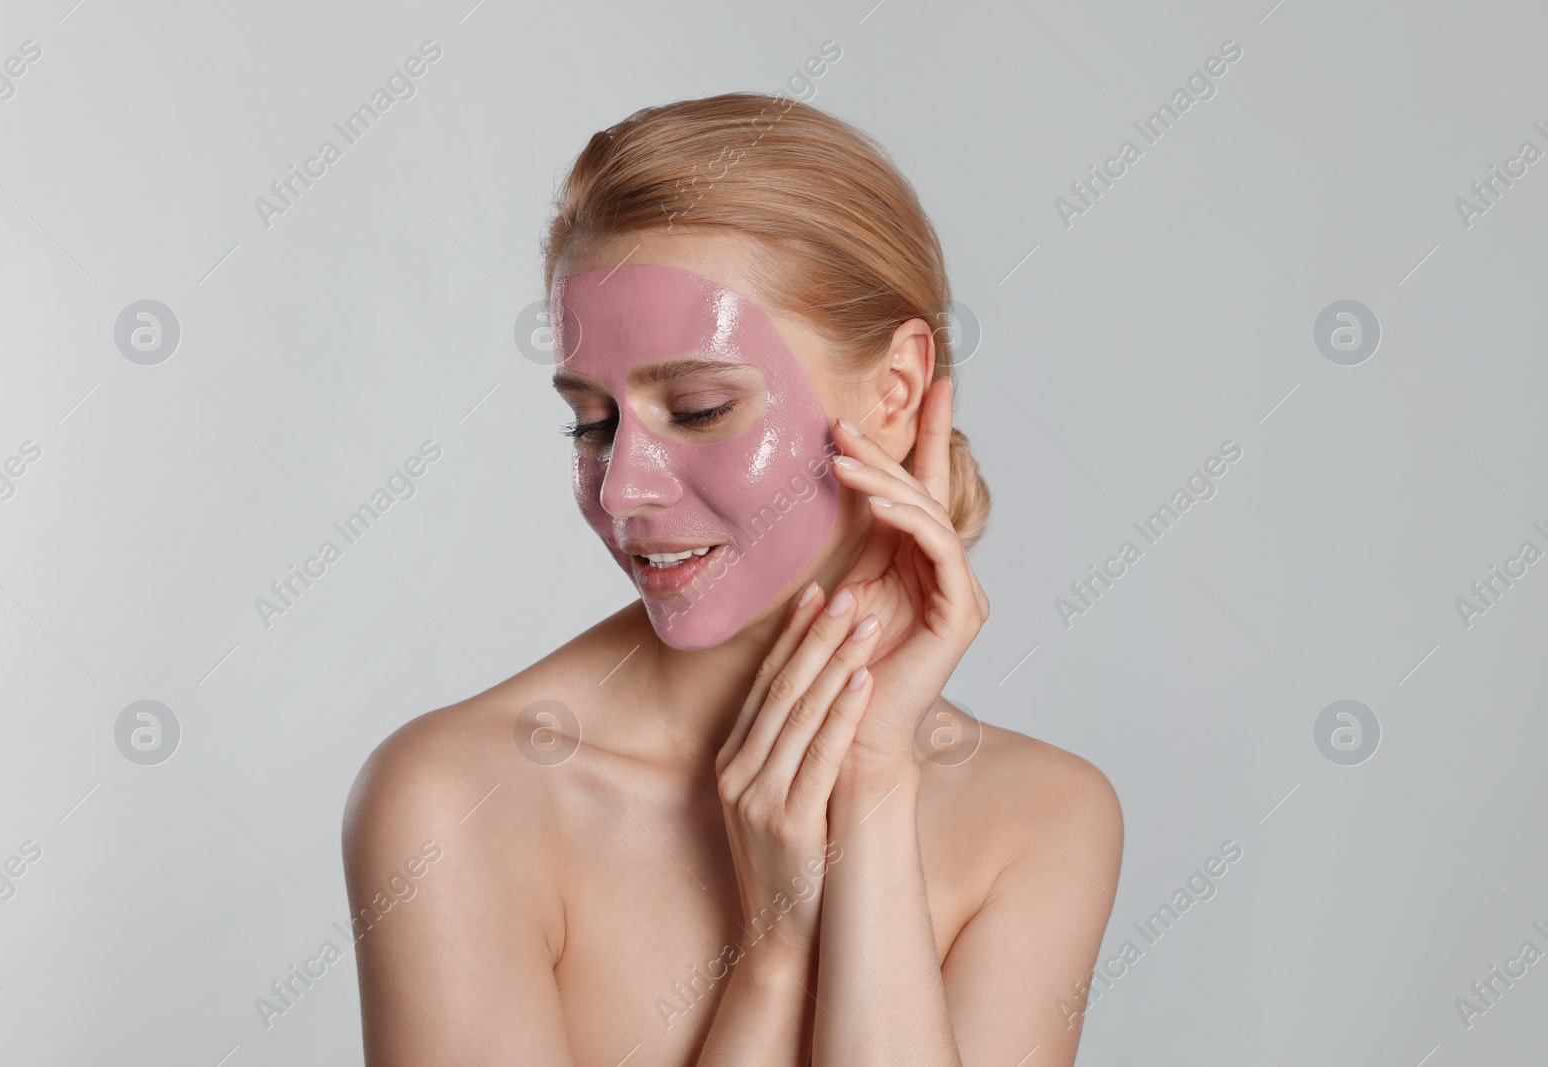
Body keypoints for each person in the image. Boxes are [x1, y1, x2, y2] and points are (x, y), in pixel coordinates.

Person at [343, 92, 1122, 1067]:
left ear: (895, 390)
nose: (621, 487)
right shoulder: (458, 799)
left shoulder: (1042, 815)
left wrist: (872, 791)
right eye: (590, 422)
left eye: (700, 407)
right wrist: (779, 949)